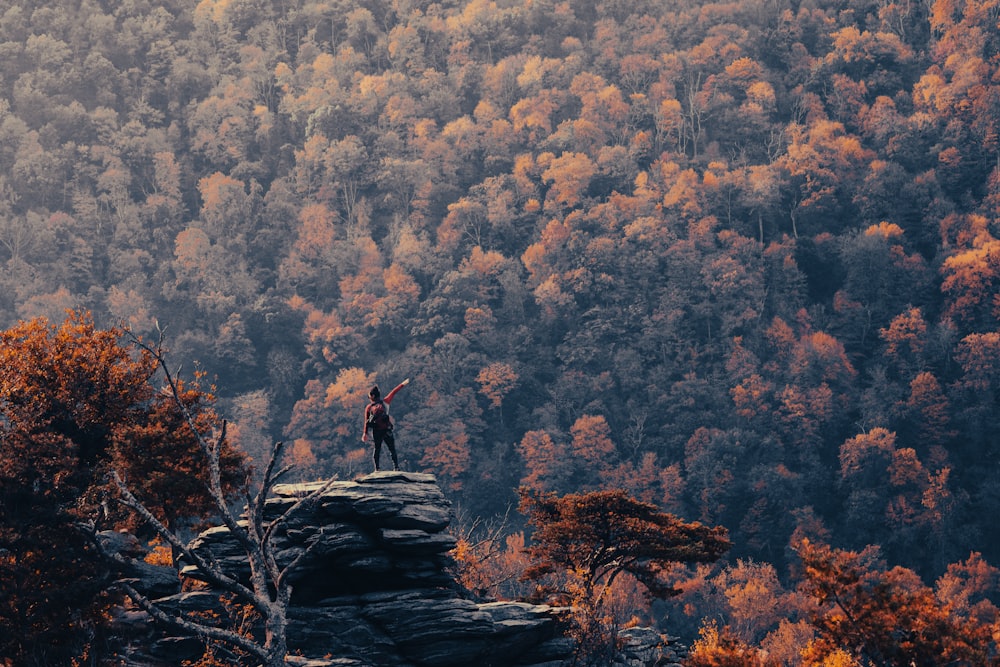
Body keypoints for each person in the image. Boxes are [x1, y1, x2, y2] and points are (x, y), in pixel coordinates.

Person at [362, 377, 410, 471]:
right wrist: (403, 383)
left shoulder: (368, 407)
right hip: (386, 429)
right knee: (392, 449)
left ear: (372, 396)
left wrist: (365, 433)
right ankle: (396, 467)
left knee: (377, 449)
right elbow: (394, 391)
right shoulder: (385, 402)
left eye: (369, 396)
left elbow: (366, 421)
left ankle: (377, 469)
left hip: (376, 431)